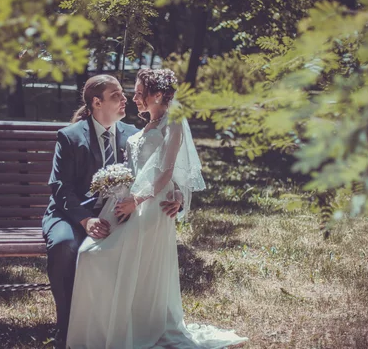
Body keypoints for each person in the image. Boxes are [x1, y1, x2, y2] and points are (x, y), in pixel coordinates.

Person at [66, 69, 248, 348]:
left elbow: (166, 170)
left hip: (151, 207)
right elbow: (142, 167)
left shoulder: (173, 123)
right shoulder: (145, 126)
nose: (134, 97)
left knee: (103, 258)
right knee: (90, 255)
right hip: (129, 202)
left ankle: (133, 327)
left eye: (140, 92)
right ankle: (104, 329)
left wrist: (149, 198)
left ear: (158, 95)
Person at [42, 74, 182, 344]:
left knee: (124, 248)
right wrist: (85, 221)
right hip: (71, 214)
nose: (125, 98)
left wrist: (177, 198)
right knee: (63, 245)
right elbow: (60, 187)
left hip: (118, 212)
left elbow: (160, 168)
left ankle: (117, 324)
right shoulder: (70, 137)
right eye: (117, 95)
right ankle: (67, 326)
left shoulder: (132, 134)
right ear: (97, 102)